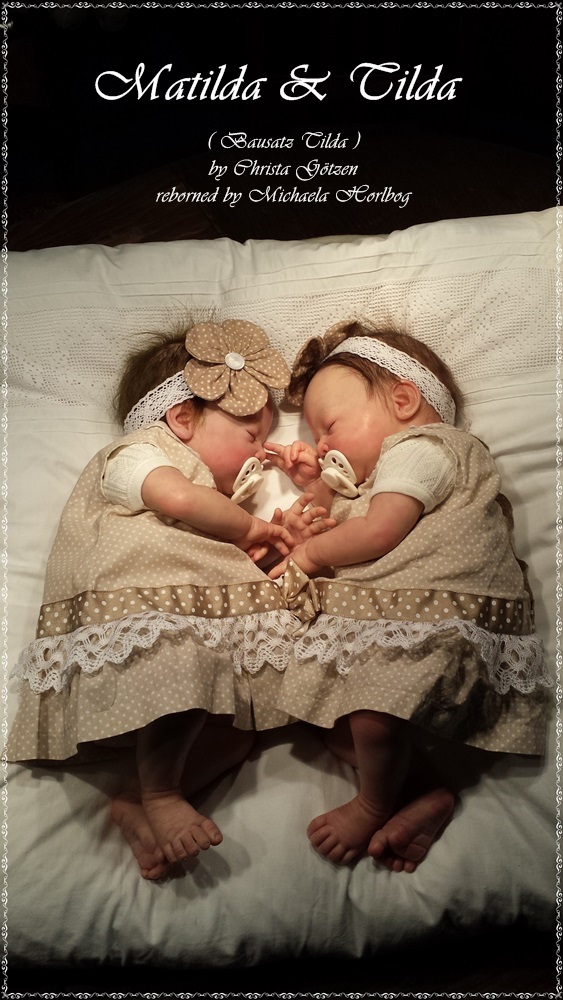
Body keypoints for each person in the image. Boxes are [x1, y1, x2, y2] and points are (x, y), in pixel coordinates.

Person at [7, 319, 333, 880]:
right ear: (181, 418)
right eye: (250, 436)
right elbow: (179, 500)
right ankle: (162, 795)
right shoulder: (136, 455)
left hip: (184, 624)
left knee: (236, 737)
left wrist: (282, 544)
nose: (261, 455)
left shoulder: (214, 505)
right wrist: (250, 527)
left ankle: (136, 802)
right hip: (141, 615)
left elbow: (226, 582)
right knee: (181, 666)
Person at [266, 320, 552, 872]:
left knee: (371, 713)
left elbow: (377, 532)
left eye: (329, 426)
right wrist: (317, 484)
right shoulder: (382, 475)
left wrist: (309, 556)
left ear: (403, 401)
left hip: (437, 617)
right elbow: (350, 512)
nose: (322, 445)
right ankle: (423, 791)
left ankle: (374, 803)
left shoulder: (421, 449)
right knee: (324, 718)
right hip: (410, 624)